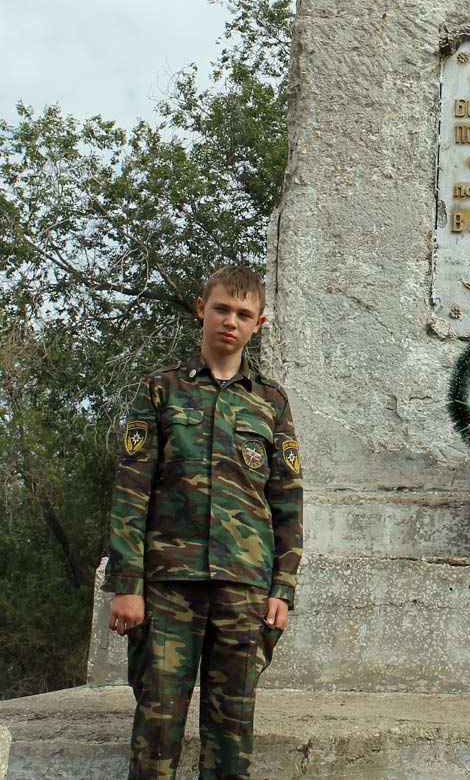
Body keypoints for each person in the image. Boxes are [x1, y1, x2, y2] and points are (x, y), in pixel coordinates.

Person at [103, 264, 303, 780]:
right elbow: (130, 493)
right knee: (156, 733)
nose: (230, 322)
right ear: (201, 309)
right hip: (169, 587)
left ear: (258, 324)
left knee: (231, 742)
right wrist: (126, 585)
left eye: (243, 314)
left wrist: (282, 587)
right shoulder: (160, 391)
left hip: (244, 591)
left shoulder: (271, 403)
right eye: (222, 309)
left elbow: (286, 501)